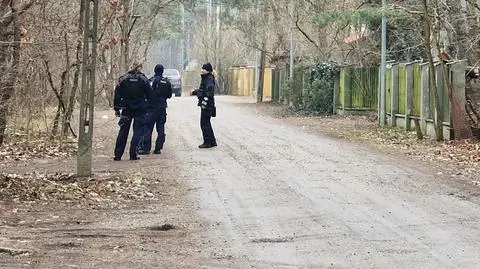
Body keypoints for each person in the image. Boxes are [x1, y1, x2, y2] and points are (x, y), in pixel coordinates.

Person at [113, 62, 152, 161]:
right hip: (140, 110)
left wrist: (117, 108)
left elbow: (117, 95)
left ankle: (118, 155)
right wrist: (147, 107)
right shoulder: (144, 80)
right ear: (139, 68)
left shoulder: (123, 79)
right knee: (138, 131)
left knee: (123, 131)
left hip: (126, 109)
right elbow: (151, 95)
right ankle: (133, 154)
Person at [138, 64, 172, 155]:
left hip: (151, 108)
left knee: (148, 127)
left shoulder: (152, 81)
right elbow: (169, 95)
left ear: (155, 70)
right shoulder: (167, 81)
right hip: (162, 108)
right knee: (161, 128)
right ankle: (158, 148)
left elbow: (147, 93)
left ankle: (146, 148)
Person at [190, 62, 217, 148]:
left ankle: (207, 142)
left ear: (207, 70)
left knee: (204, 123)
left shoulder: (208, 79)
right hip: (207, 103)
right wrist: (196, 92)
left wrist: (195, 92)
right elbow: (203, 90)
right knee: (207, 122)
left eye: (203, 69)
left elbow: (207, 92)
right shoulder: (207, 78)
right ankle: (212, 141)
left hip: (207, 104)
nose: (201, 70)